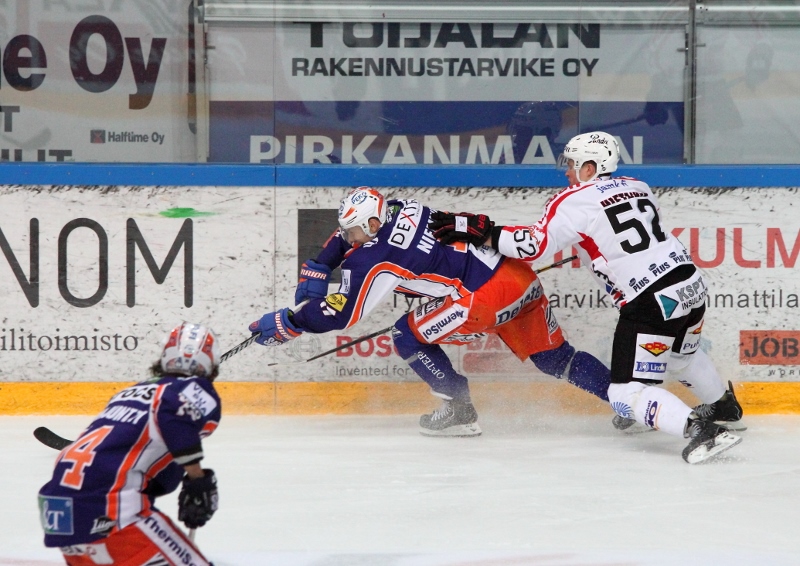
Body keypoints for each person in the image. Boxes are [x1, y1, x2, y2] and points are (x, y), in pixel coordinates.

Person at [428, 131, 744, 463]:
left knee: (624, 394)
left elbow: (533, 245)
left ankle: (701, 430)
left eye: (573, 165)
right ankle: (724, 407)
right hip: (690, 284)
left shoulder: (572, 201)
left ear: (590, 168)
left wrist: (485, 232)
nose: (567, 171)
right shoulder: (638, 186)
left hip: (650, 298)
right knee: (682, 357)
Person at [248, 186, 612, 437]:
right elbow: (342, 237)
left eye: (354, 232)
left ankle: (459, 409)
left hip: (483, 296)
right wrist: (320, 263)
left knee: (405, 335)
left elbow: (343, 315)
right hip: (518, 275)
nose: (348, 238)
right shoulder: (400, 206)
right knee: (555, 358)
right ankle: (628, 401)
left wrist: (291, 322)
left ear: (373, 225)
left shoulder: (372, 260)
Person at [38, 323, 221, 565]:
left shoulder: (128, 393)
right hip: (110, 513)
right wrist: (197, 479)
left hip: (59, 515)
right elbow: (175, 421)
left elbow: (159, 468)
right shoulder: (196, 390)